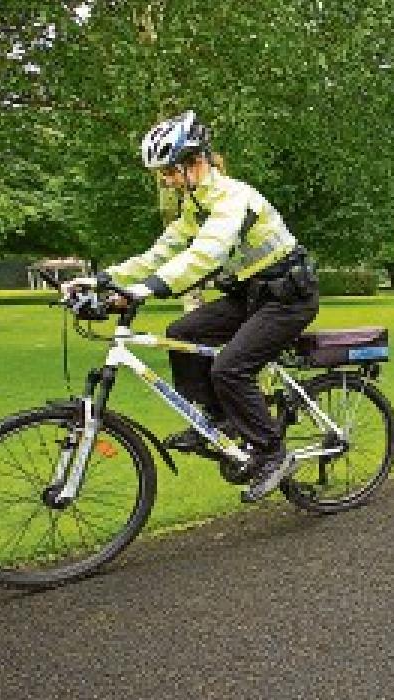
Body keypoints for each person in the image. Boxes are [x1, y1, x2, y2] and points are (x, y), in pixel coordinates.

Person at [62, 111, 319, 503]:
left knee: (230, 368)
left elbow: (204, 256)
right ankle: (218, 420)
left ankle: (272, 454)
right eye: (162, 174)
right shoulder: (194, 206)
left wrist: (145, 290)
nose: (166, 180)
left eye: (169, 171)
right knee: (183, 334)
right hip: (251, 295)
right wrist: (101, 280)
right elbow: (159, 253)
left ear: (194, 162)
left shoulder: (233, 198)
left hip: (288, 299)